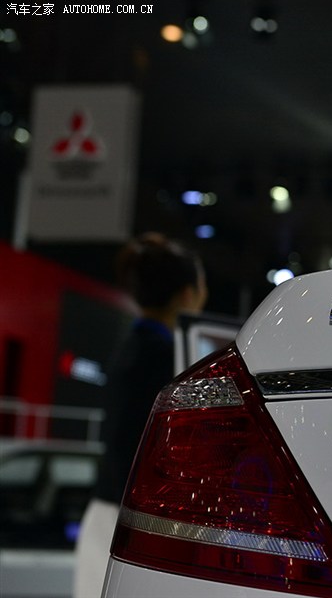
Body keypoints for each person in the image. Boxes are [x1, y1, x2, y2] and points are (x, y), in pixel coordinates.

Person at [73, 233, 207, 598]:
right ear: (188, 294)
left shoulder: (131, 349)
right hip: (138, 523)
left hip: (108, 513)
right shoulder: (169, 359)